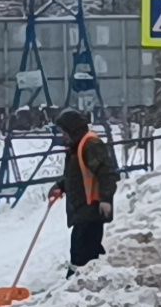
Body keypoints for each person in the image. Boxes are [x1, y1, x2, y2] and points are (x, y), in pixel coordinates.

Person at [48, 110, 119, 273]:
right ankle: (84, 280)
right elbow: (78, 175)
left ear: (72, 130)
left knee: (81, 251)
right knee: (85, 250)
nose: (62, 136)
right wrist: (61, 186)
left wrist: (105, 199)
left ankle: (77, 282)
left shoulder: (90, 145)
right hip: (83, 209)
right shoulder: (77, 147)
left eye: (64, 132)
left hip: (91, 208)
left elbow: (107, 173)